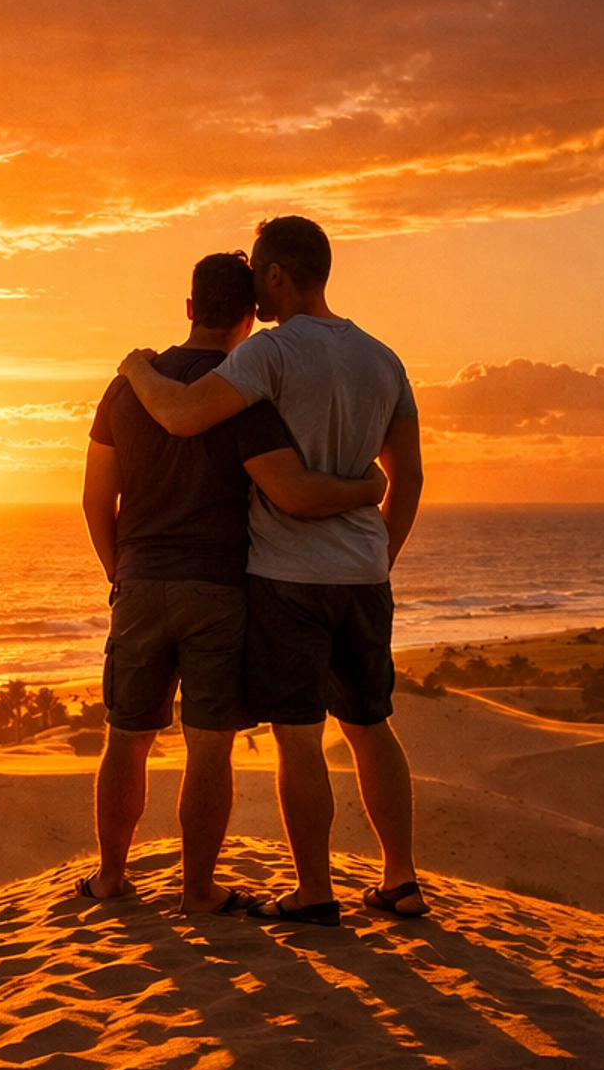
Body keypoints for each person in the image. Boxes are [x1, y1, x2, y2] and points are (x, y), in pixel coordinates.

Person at [119, 215, 426, 925]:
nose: (253, 287)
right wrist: (379, 553)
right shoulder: (384, 358)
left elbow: (186, 415)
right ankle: (401, 879)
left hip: (289, 577)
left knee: (299, 737)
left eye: (258, 271)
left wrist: (135, 367)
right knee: (371, 725)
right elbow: (405, 474)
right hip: (362, 574)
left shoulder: (270, 352)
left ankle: (315, 891)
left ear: (278, 274)